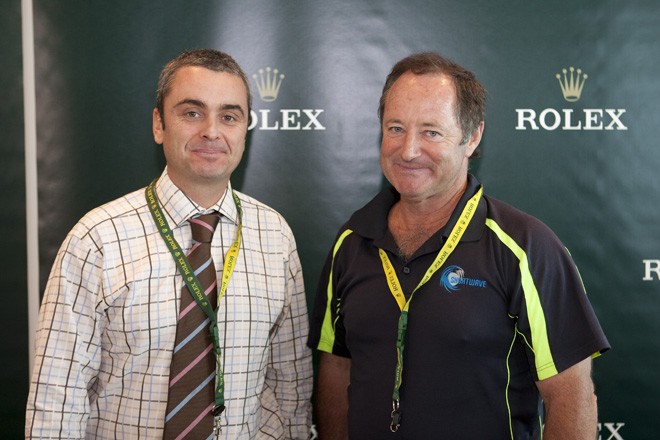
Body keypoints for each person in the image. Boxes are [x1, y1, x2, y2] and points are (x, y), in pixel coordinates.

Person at [308, 52, 610, 439]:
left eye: (431, 132)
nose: (408, 150)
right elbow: (337, 369)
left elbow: (572, 394)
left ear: (472, 137)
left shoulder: (527, 247)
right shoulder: (352, 241)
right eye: (396, 128)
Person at [26, 49, 313, 439]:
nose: (212, 131)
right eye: (192, 112)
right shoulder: (97, 239)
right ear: (159, 124)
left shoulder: (275, 237)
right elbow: (57, 398)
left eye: (229, 116)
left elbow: (289, 382)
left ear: (245, 129)